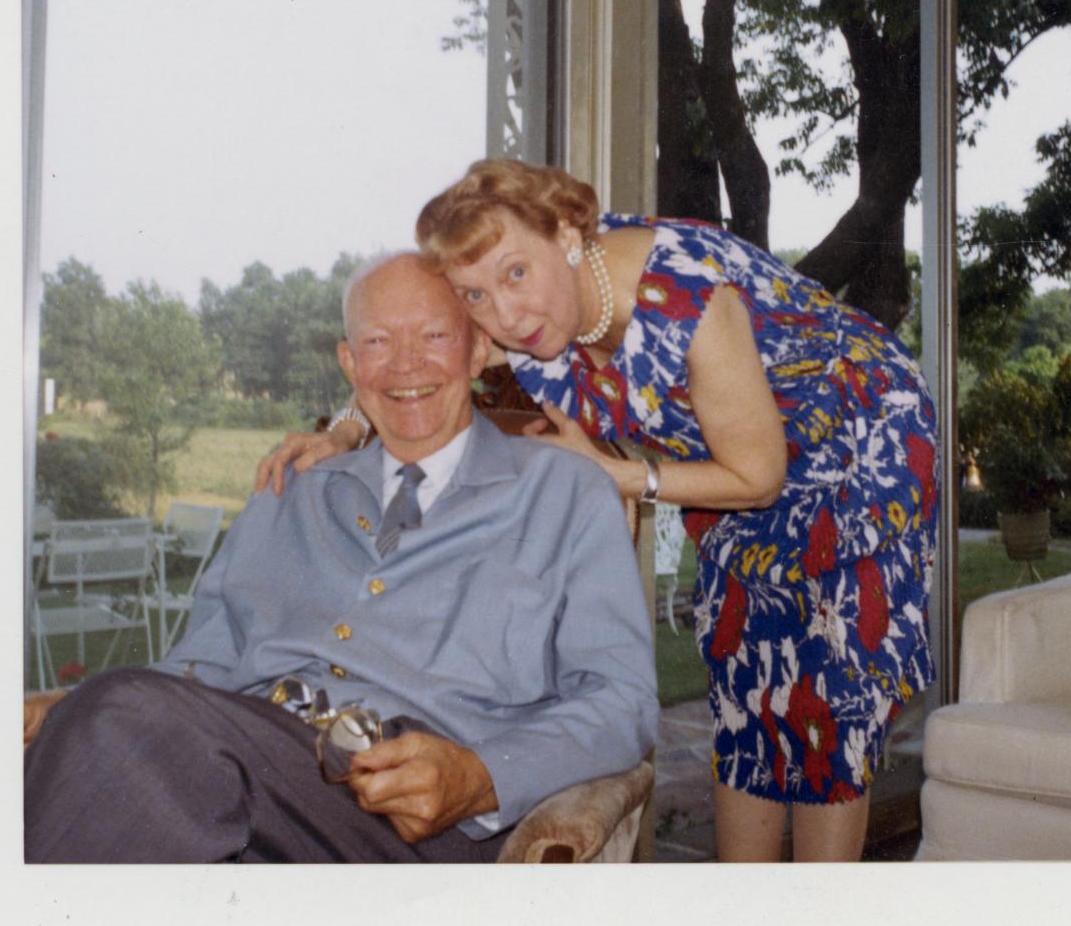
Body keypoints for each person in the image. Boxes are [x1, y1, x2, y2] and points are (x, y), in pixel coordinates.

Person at [260, 160, 939, 863]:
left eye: (516, 274)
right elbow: (417, 364)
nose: (504, 313)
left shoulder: (684, 300)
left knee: (825, 708)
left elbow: (758, 476)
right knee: (750, 693)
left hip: (860, 446)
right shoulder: (518, 319)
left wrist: (615, 474)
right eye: (475, 294)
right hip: (737, 456)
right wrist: (342, 432)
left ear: (566, 232)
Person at [25, 252, 658, 863]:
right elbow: (203, 665)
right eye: (378, 343)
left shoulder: (565, 492)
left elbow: (621, 699)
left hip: (411, 819)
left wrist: (483, 775)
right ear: (350, 364)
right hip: (250, 777)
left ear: (478, 350)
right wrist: (76, 710)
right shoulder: (292, 490)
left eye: (434, 335)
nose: (406, 365)